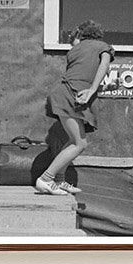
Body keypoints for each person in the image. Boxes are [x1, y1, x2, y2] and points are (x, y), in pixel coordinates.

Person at [36, 20, 114, 196]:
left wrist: (100, 88)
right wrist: (94, 89)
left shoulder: (74, 51)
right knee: (80, 143)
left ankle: (59, 180)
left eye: (74, 37)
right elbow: (104, 64)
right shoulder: (103, 47)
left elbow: (80, 80)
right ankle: (46, 179)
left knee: (73, 141)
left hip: (63, 94)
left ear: (80, 35)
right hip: (69, 95)